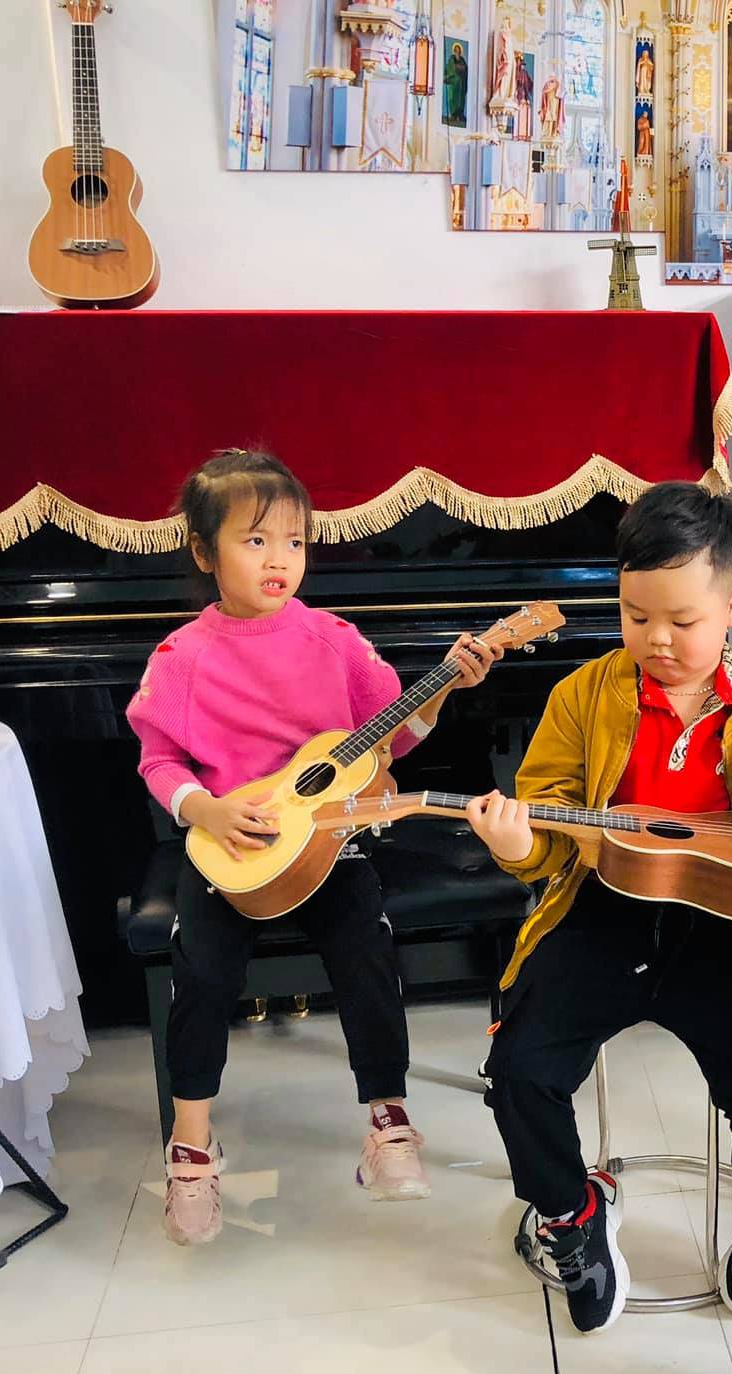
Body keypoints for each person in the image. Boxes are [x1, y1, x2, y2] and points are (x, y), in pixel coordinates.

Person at [467, 483, 732, 1334]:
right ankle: (571, 1215)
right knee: (518, 1069)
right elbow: (547, 836)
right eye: (635, 615)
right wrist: (517, 846)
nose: (656, 640)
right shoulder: (583, 697)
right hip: (601, 908)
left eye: (683, 620)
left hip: (726, 924)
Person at [128, 450, 498, 1246]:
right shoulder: (181, 656)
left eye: (294, 542)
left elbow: (391, 740)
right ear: (204, 553)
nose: (280, 559)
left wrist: (444, 690)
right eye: (255, 540)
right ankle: (192, 1144)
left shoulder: (335, 640)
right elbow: (159, 760)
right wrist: (207, 809)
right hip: (230, 845)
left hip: (329, 841)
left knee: (366, 943)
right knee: (202, 967)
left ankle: (389, 1118)